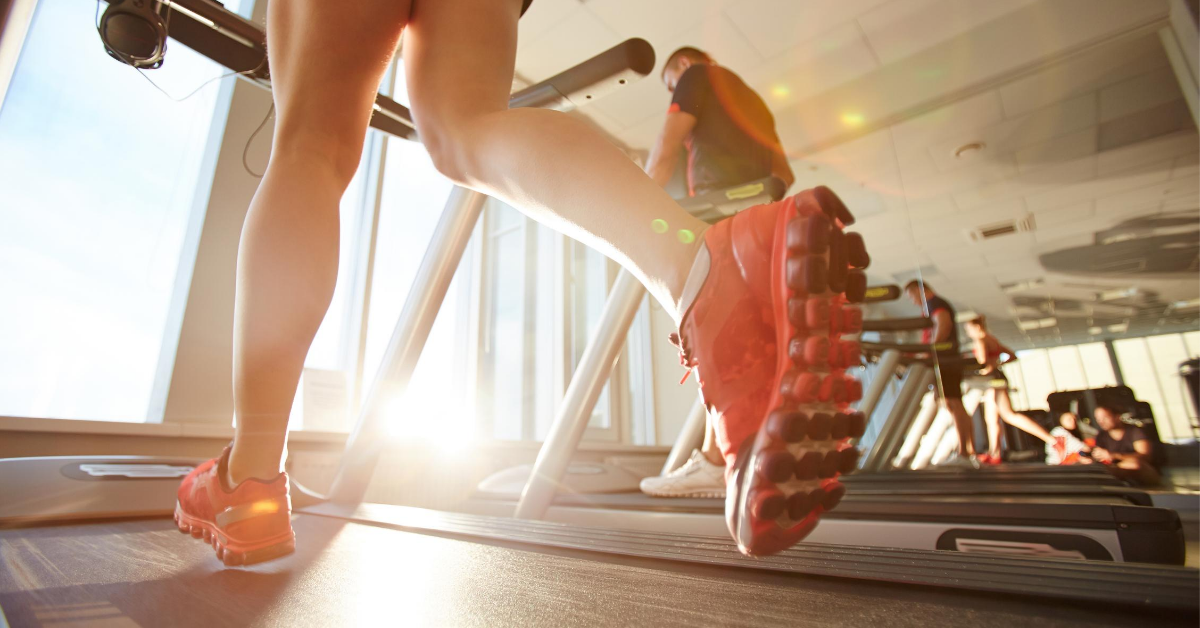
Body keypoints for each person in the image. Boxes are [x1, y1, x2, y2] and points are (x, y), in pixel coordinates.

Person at [172, 0, 868, 563]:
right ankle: (703, 278)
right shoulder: (738, 92)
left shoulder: (693, 81)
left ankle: (250, 477)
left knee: (311, 146)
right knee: (465, 129)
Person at [638, 47, 794, 500]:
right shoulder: (754, 101)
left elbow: (667, 146)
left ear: (683, 66)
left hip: (719, 211)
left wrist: (642, 214)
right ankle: (742, 447)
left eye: (671, 83)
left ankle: (714, 459)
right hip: (763, 219)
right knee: (746, 334)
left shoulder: (696, 75)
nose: (674, 90)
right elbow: (783, 173)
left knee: (715, 328)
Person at [903, 280, 977, 467]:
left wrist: (930, 352)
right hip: (944, 361)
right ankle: (968, 453)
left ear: (920, 290)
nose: (913, 301)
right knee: (953, 405)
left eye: (912, 296)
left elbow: (943, 325)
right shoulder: (932, 305)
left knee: (953, 403)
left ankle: (965, 454)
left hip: (945, 361)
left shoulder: (935, 304)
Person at [963, 316, 1055, 464]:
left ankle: (1052, 440)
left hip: (990, 380)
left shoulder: (980, 341)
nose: (968, 333)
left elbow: (982, 364)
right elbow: (1012, 356)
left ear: (977, 328)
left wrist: (975, 372)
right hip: (998, 376)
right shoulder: (993, 340)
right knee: (992, 418)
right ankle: (995, 452)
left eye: (968, 330)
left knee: (1006, 416)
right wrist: (999, 364)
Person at [1091, 405, 1160, 485]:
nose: (1101, 422)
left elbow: (1146, 456)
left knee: (1134, 464)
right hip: (1113, 470)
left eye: (1105, 417)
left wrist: (1114, 456)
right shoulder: (1101, 435)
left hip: (1146, 474)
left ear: (1117, 417)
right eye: (1098, 419)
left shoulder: (1135, 432)